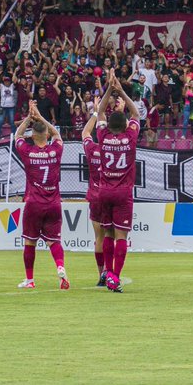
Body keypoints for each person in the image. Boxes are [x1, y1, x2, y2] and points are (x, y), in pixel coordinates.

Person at [87, 69, 139, 293]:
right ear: (125, 125)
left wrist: (109, 88)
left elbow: (99, 113)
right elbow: (136, 114)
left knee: (107, 234)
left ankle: (107, 273)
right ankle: (115, 276)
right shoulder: (130, 137)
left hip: (104, 191)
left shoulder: (103, 136)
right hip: (123, 192)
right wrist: (122, 92)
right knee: (121, 236)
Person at [14, 103, 69, 290]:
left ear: (33, 136)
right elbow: (57, 135)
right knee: (54, 241)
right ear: (45, 135)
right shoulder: (56, 150)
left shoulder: (28, 152)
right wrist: (41, 116)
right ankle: (60, 268)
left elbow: (18, 136)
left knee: (30, 241)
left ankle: (29, 280)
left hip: (34, 203)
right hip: (54, 203)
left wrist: (30, 117)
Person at [81, 100, 109, 287]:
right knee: (111, 237)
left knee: (99, 237)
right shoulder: (113, 149)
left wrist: (95, 112)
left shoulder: (92, 149)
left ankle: (101, 274)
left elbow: (84, 133)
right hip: (111, 194)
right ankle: (111, 270)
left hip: (95, 195)